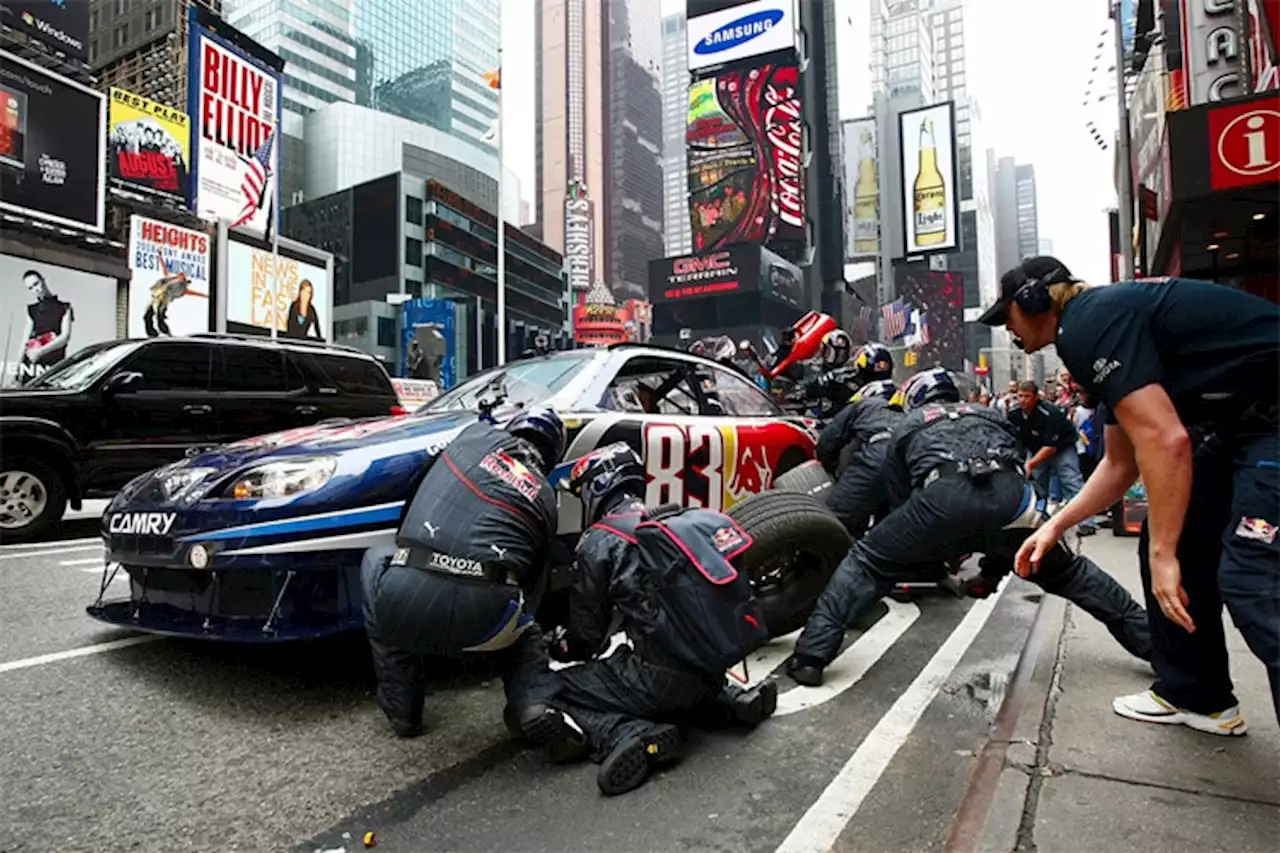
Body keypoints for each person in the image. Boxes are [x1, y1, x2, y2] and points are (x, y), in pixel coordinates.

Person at [979, 256, 1279, 733]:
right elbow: (1119, 465)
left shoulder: (1087, 324)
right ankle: (1197, 696)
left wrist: (1165, 556)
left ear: (1034, 302)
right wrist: (1056, 524)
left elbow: (1167, 441)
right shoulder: (1100, 330)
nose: (1007, 329)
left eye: (1006, 316)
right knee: (1172, 537)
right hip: (1246, 424)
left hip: (1268, 419)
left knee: (1254, 576)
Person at [785, 368, 1151, 687]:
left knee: (864, 561)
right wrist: (989, 575)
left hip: (941, 497)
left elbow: (902, 499)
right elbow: (1014, 478)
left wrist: (920, 551)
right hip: (1012, 499)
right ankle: (1157, 647)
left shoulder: (908, 424)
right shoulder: (991, 415)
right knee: (1070, 573)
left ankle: (810, 658)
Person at [535, 443, 776, 796]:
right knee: (670, 672)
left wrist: (558, 645)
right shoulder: (673, 521)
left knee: (550, 689)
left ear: (596, 487)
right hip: (709, 668)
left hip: (657, 683)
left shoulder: (600, 541)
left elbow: (589, 639)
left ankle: (628, 734)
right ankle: (732, 703)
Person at [360, 406, 567, 738]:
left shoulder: (471, 437)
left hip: (407, 595)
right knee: (524, 623)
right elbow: (533, 588)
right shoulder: (545, 496)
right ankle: (533, 705)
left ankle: (404, 710)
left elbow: (416, 497)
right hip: (482, 615)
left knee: (377, 558)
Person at [1009, 380, 1096, 535]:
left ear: (1036, 397)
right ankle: (1037, 520)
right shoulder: (1014, 414)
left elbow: (1052, 445)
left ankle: (1087, 522)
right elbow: (1016, 440)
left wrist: (1031, 464)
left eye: (1027, 396)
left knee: (1071, 481)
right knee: (1037, 485)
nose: (1022, 400)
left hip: (1061, 448)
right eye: (1020, 396)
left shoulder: (1050, 413)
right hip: (1036, 449)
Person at [819, 379, 901, 538]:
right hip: (904, 476)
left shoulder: (864, 405)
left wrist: (831, 471)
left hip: (873, 464)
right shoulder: (910, 415)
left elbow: (826, 442)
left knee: (831, 528)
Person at [22, 270, 73, 371]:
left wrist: (40, 351)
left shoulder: (64, 307)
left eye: (36, 284)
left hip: (54, 364)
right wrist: (16, 372)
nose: (35, 289)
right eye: (30, 288)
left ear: (43, 280)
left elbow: (65, 337)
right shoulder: (32, 310)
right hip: (33, 365)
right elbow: (24, 342)